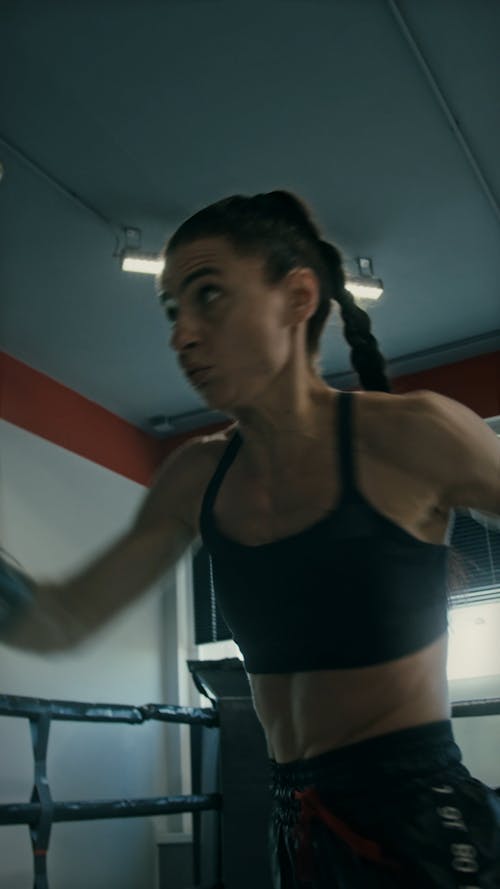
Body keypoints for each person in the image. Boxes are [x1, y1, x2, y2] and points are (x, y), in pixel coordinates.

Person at [1, 190, 500, 886]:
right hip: (293, 821)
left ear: (298, 297)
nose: (182, 335)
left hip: (420, 820)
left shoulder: (413, 435)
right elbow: (61, 619)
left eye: (209, 295)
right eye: (173, 310)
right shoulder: (196, 476)